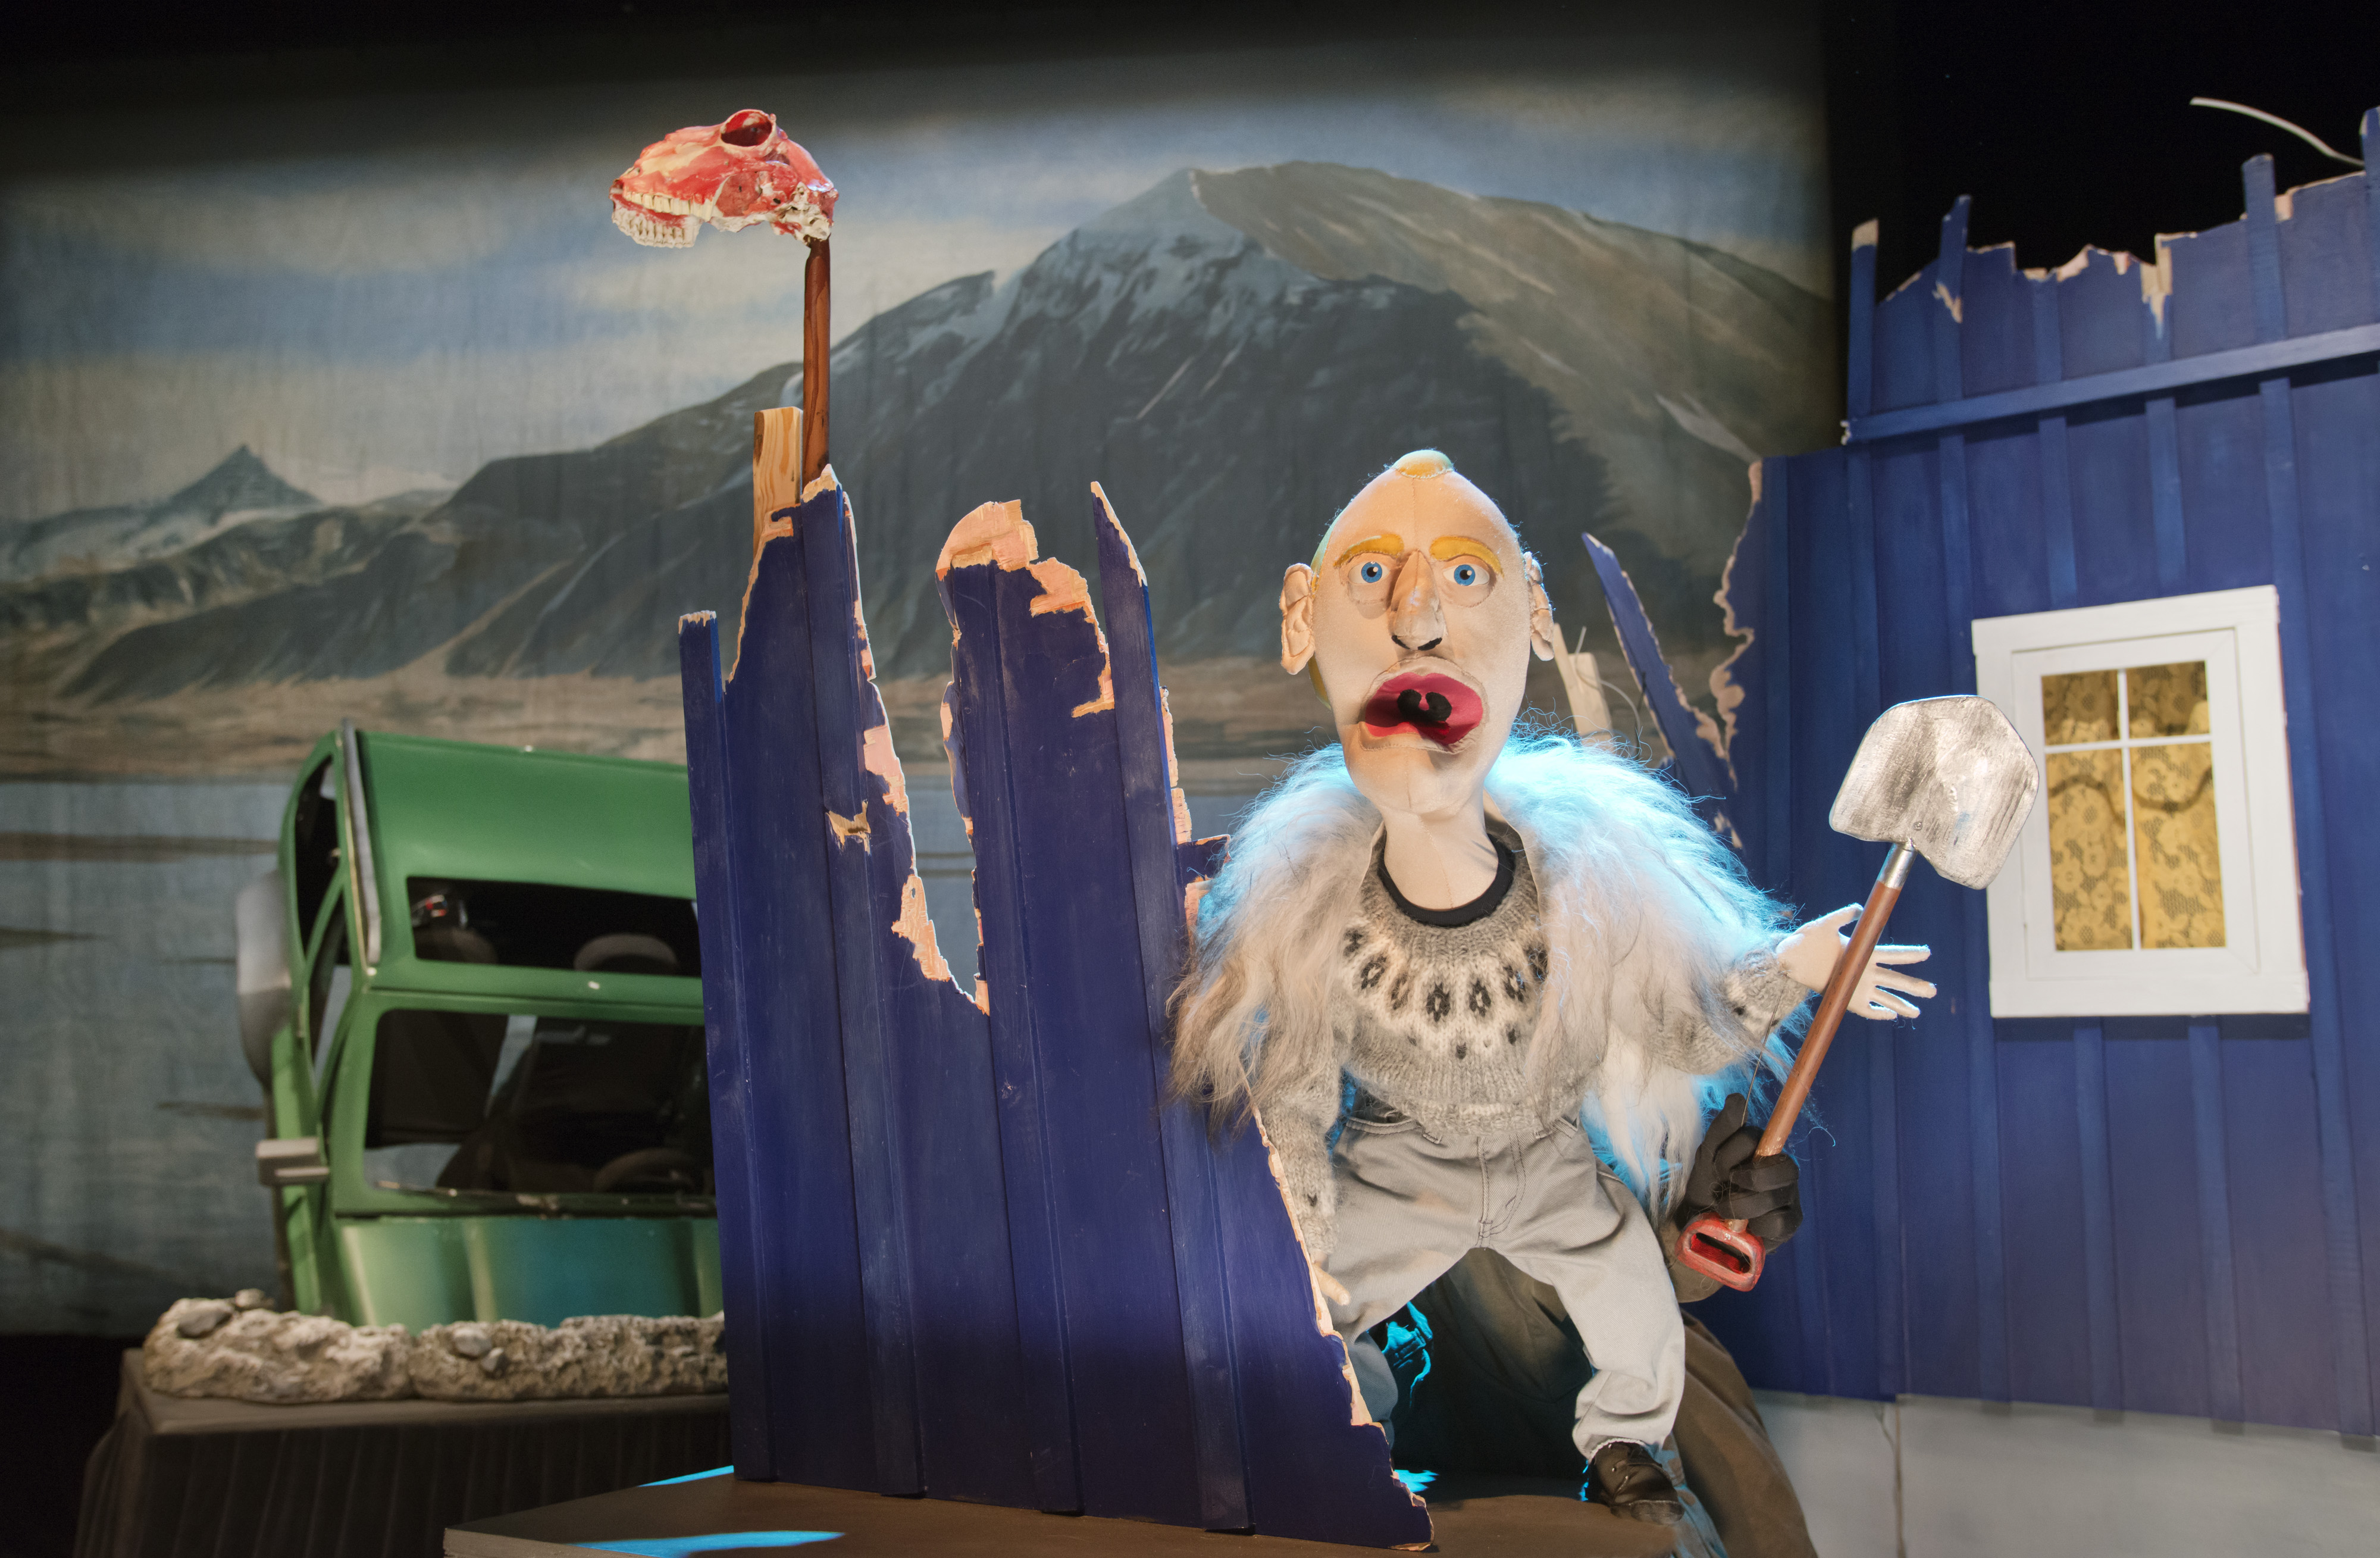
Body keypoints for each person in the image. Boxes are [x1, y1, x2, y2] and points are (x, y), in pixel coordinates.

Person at [1167, 450, 1931, 1526]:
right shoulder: (1303, 917)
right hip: (1407, 1224)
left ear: (1530, 614)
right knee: (1321, 1316)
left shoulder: (1596, 891)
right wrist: (1298, 1248)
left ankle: (1621, 1443)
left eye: (1464, 576)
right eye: (1373, 576)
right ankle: (1344, 1431)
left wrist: (1783, 985)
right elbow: (1289, 1104)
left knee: (1630, 1300)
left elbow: (1684, 1034)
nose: (1417, 620)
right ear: (1305, 619)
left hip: (1557, 1226)